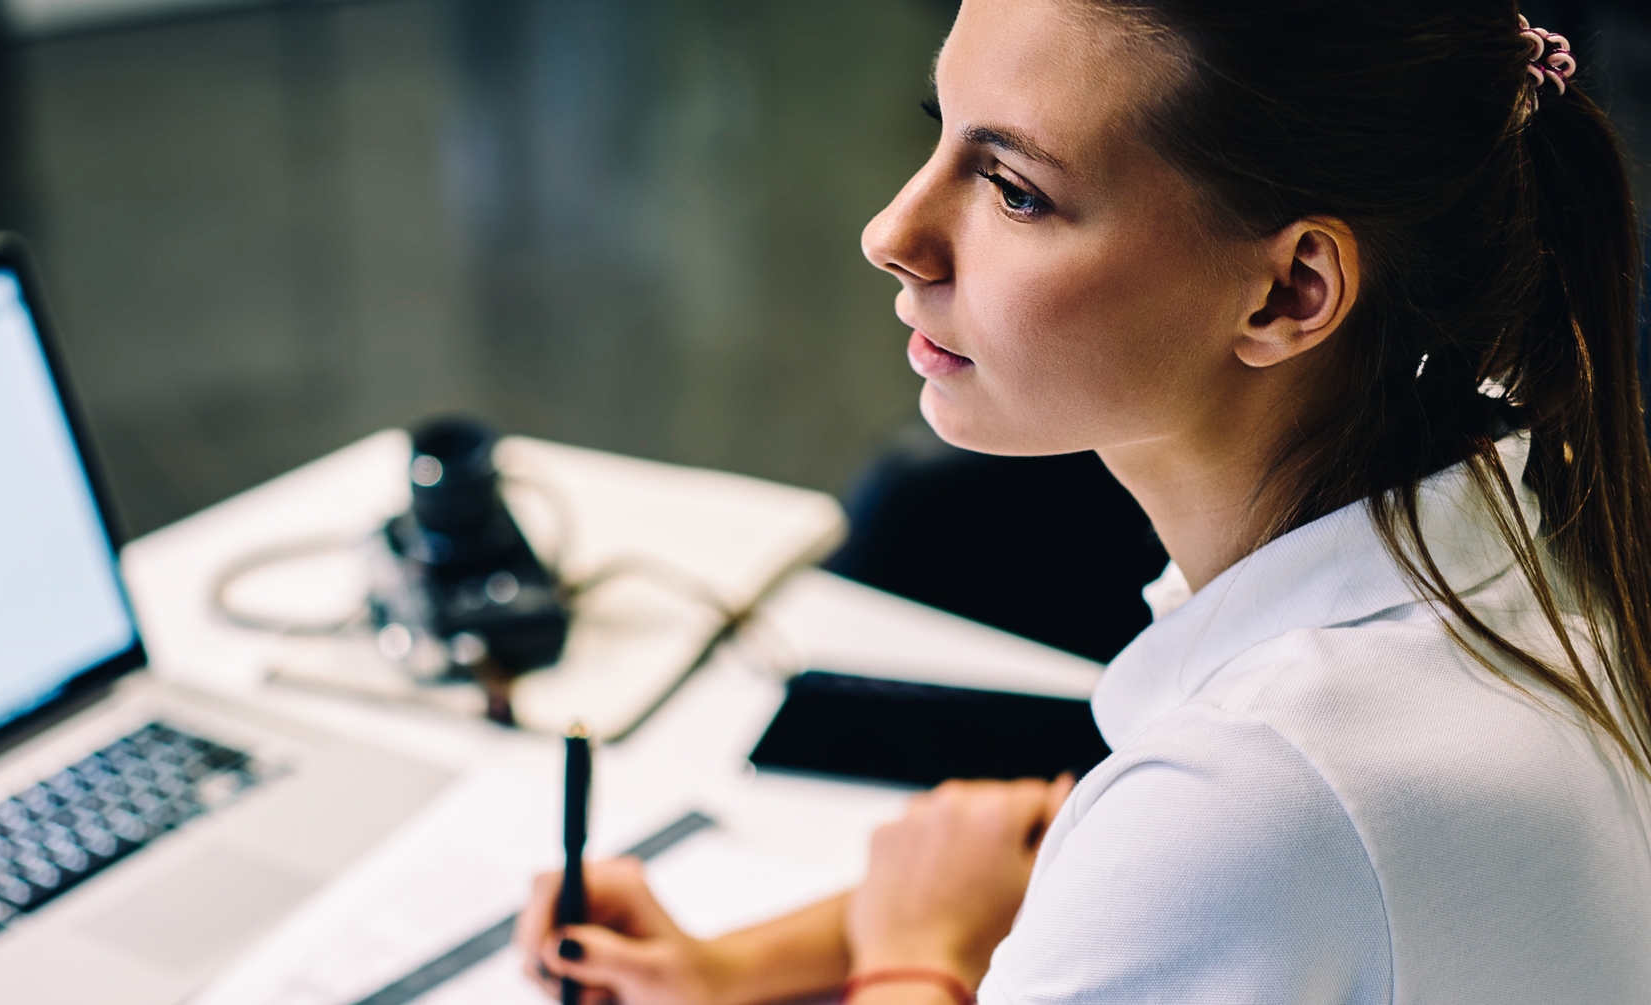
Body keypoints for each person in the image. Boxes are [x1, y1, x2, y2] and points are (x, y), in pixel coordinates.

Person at [513, 0, 1651, 1001]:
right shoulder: (1521, 492)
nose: (892, 236)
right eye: (941, 137)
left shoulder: (1255, 787)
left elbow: (1232, 840)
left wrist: (911, 951)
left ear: (1291, 291)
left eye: (1013, 190)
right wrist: (744, 968)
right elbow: (1216, 865)